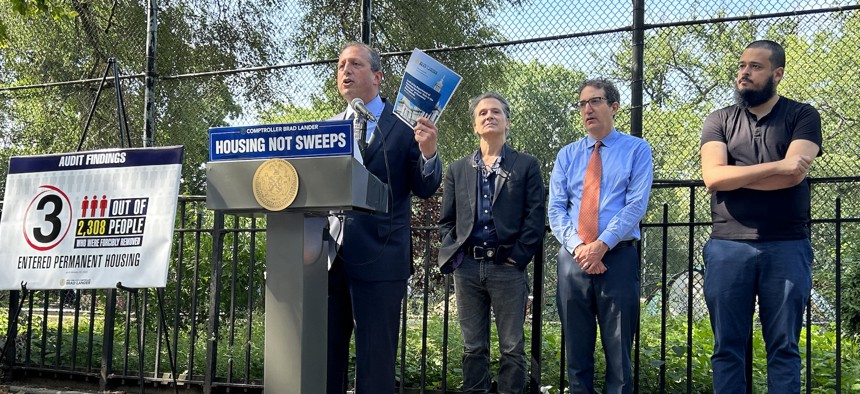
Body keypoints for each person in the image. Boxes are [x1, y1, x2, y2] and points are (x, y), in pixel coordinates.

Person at [700, 40, 822, 393]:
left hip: (787, 245)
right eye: (741, 66)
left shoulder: (802, 115)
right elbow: (713, 177)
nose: (744, 73)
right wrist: (777, 165)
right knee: (727, 349)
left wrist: (740, 176)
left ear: (777, 74)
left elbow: (793, 176)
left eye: (755, 66)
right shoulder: (719, 119)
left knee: (784, 347)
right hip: (726, 245)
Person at [327, 42, 443, 393]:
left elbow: (425, 187)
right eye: (341, 65)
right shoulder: (330, 127)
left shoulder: (408, 126)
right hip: (328, 258)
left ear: (377, 77)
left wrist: (428, 152)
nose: (345, 70)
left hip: (381, 259)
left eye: (355, 64)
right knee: (324, 358)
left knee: (376, 363)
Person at [548, 79, 653, 394]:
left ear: (614, 107)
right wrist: (581, 248)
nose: (587, 109)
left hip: (617, 258)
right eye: (582, 104)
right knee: (576, 355)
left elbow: (636, 204)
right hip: (573, 261)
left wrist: (601, 244)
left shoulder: (637, 149)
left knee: (619, 355)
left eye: (595, 101)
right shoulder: (567, 155)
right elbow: (556, 209)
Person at [437, 92, 546, 393]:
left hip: (507, 267)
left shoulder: (526, 165)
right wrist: (456, 253)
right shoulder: (457, 169)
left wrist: (517, 258)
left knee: (512, 347)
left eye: (495, 112)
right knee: (473, 346)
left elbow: (535, 217)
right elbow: (447, 220)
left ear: (507, 122)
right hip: (468, 268)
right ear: (475, 125)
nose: (489, 116)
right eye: (482, 113)